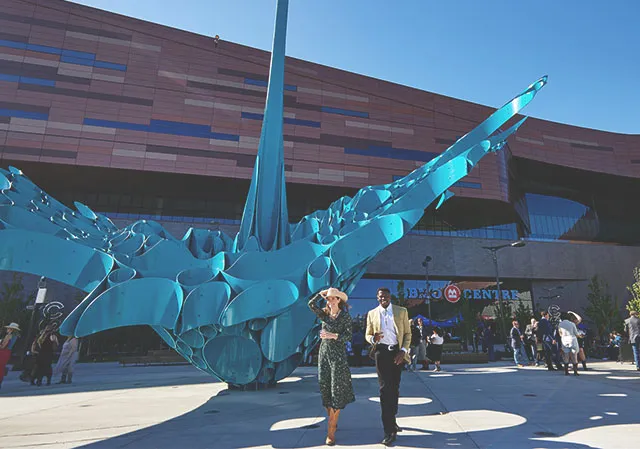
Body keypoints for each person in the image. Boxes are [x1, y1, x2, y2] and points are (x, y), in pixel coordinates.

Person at [308, 287, 355, 446]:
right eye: (328, 298)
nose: (329, 300)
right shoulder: (324, 314)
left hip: (338, 357)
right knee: (325, 388)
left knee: (336, 390)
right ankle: (333, 419)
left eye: (332, 298)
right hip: (324, 355)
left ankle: (331, 431)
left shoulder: (345, 317)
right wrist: (320, 295)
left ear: (338, 300)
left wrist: (333, 335)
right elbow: (310, 304)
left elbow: (348, 336)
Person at [365, 287, 411, 446]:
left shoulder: (401, 311)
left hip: (397, 353)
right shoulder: (372, 313)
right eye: (380, 296)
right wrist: (373, 339)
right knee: (385, 389)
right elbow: (367, 334)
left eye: (385, 296)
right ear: (377, 298)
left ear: (390, 297)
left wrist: (403, 351)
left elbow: (407, 334)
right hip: (381, 353)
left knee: (395, 388)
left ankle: (393, 418)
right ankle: (388, 430)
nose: (383, 298)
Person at [558, 311, 581, 376]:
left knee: (566, 356)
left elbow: (560, 334)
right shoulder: (572, 324)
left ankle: (566, 371)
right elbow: (576, 333)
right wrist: (580, 336)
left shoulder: (560, 324)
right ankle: (575, 372)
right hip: (572, 340)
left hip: (564, 340)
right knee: (574, 356)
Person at [0, 322, 21, 389]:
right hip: (8, 352)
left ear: (11, 329)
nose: (7, 329)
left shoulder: (8, 336)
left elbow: (3, 346)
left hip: (3, 352)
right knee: (2, 367)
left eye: (8, 328)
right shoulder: (15, 336)